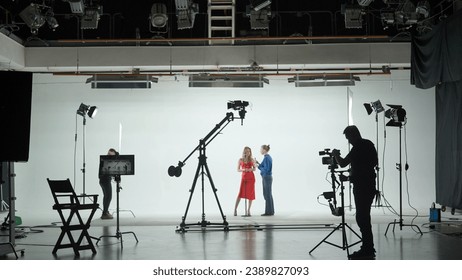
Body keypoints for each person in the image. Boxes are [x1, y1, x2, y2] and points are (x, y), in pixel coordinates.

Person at [332, 125, 378, 260]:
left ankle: (368, 249)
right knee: (364, 217)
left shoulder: (357, 147)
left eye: (348, 138)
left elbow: (343, 163)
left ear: (353, 135)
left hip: (362, 188)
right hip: (369, 186)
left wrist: (335, 154)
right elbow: (371, 163)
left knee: (362, 218)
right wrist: (351, 176)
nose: (349, 141)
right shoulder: (368, 144)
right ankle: (368, 247)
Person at [234, 146, 256, 217]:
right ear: (244, 152)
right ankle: (235, 209)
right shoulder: (240, 160)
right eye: (246, 151)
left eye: (249, 151)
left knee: (250, 195)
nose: (247, 153)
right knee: (240, 193)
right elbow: (238, 169)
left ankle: (248, 210)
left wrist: (250, 169)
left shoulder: (252, 160)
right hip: (244, 178)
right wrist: (243, 170)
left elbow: (254, 168)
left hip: (251, 178)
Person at [99, 148, 118, 219]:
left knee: (106, 196)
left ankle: (105, 211)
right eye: (108, 154)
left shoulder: (105, 160)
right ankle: (105, 213)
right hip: (105, 180)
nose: (109, 156)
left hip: (103, 180)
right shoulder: (105, 161)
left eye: (111, 155)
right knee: (108, 196)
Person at [256, 144, 274, 216]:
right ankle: (271, 211)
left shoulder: (266, 158)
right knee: (268, 194)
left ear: (264, 150)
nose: (260, 151)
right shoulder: (267, 157)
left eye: (261, 149)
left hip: (266, 177)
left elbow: (266, 169)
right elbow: (263, 166)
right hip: (267, 177)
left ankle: (268, 212)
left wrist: (257, 166)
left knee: (267, 194)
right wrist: (258, 163)